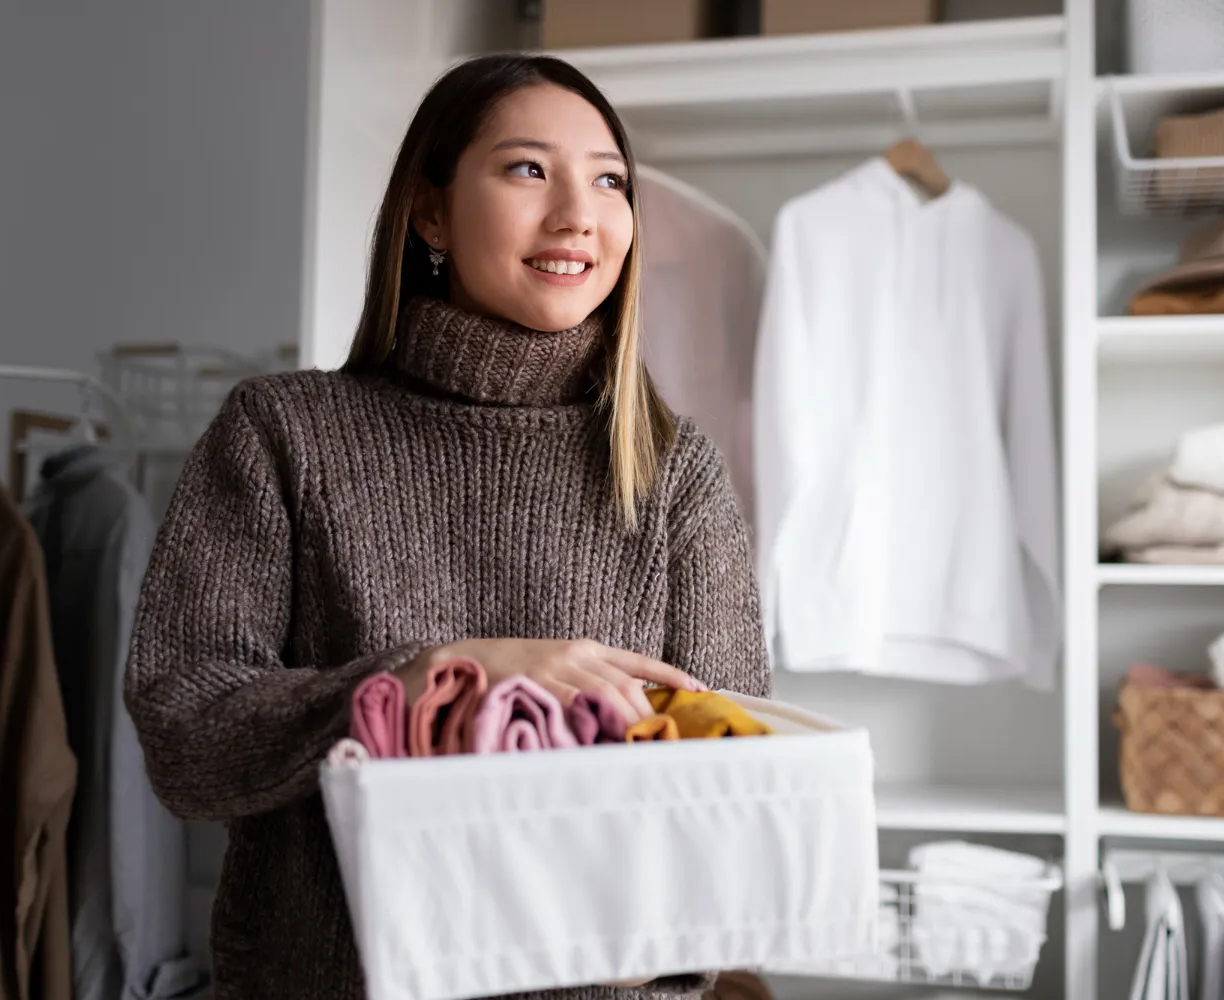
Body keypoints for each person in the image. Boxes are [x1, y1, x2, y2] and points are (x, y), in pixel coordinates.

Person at [124, 53, 770, 1000]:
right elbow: (185, 735)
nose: (578, 214)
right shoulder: (281, 433)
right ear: (429, 211)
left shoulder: (674, 473)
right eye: (527, 169)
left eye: (608, 180)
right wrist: (422, 682)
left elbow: (732, 796)